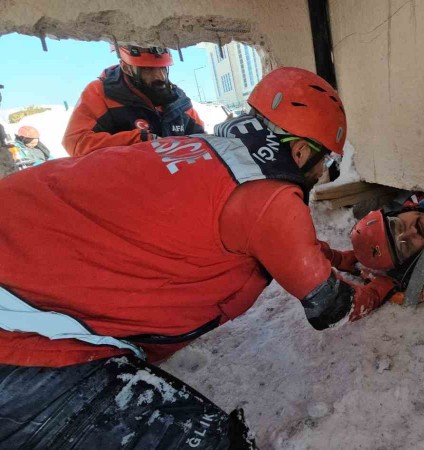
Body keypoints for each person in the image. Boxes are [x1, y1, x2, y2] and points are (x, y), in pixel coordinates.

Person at [0, 67, 397, 448]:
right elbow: (333, 306)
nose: (323, 175)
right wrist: (382, 286)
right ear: (298, 152)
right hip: (18, 327)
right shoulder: (270, 199)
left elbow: (284, 244)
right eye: (326, 163)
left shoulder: (202, 147)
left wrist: (344, 258)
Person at [62, 45, 205, 157]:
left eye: (162, 68)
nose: (159, 77)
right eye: (148, 69)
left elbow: (203, 141)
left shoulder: (178, 101)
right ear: (127, 68)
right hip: (125, 186)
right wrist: (139, 141)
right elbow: (75, 142)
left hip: (173, 185)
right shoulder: (101, 93)